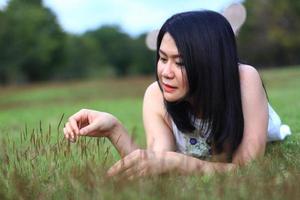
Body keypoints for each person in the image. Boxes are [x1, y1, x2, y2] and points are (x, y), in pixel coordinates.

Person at [63, 10, 290, 179]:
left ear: (210, 63)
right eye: (163, 59)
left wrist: (179, 163)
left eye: (180, 63)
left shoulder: (244, 80)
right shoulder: (155, 95)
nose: (165, 73)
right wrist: (115, 129)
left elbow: (247, 170)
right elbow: (155, 165)